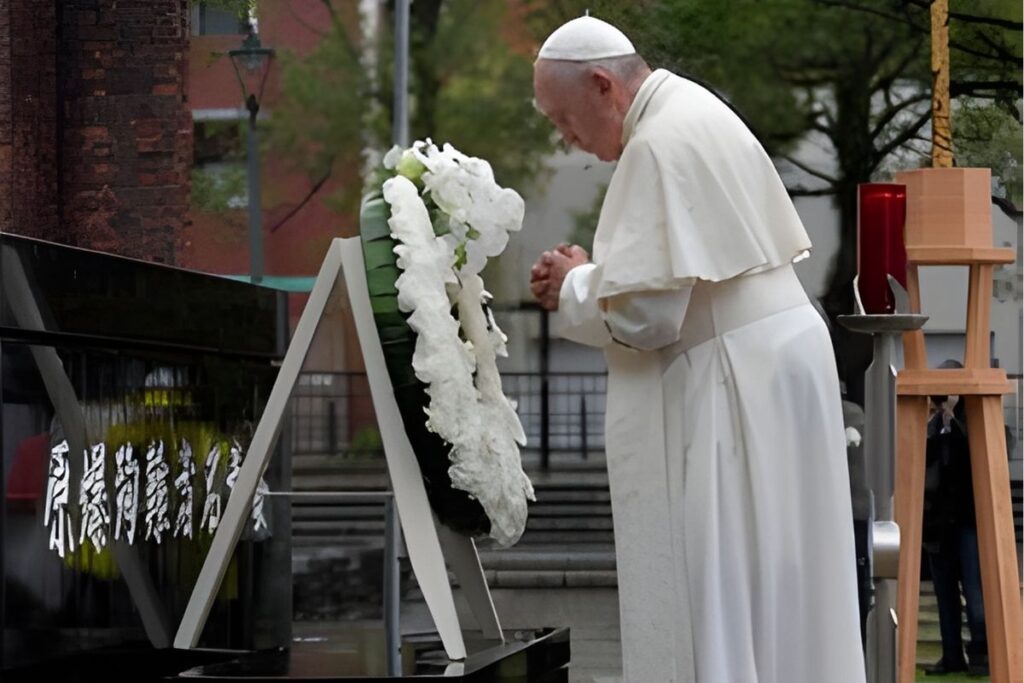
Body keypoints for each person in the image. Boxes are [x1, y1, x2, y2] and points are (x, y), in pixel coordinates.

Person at [529, 16, 865, 683]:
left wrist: (575, 285)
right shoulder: (695, 108)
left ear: (603, 85)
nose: (564, 137)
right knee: (788, 585)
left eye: (564, 119)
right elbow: (675, 274)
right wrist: (602, 274)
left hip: (734, 378)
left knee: (723, 580)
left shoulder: (657, 142)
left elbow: (649, 313)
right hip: (773, 360)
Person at [922, 359, 988, 676]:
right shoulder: (933, 428)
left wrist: (954, 418)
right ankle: (951, 655)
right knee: (944, 593)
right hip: (938, 524)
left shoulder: (974, 421)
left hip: (967, 521)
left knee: (974, 590)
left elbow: (977, 456)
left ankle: (981, 653)